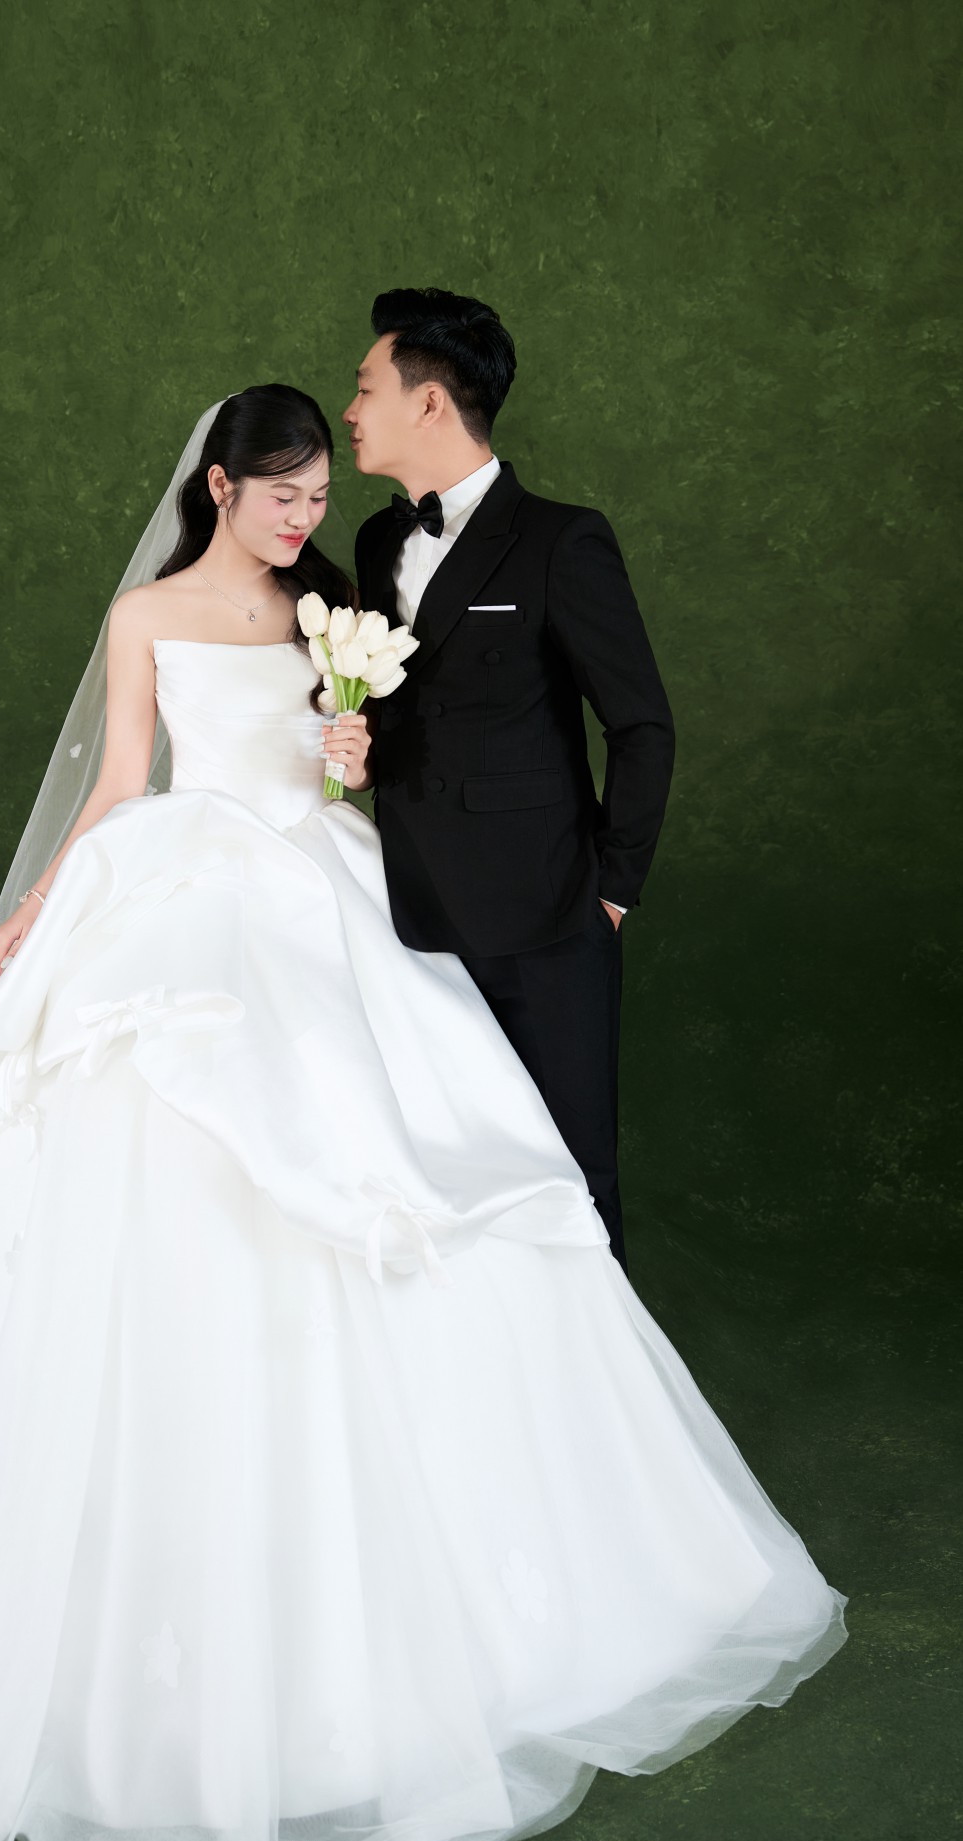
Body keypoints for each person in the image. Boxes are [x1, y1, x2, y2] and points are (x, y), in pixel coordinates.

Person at [0, 385, 845, 1841]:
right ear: (221, 487)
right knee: (151, 1136)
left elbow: (344, 761)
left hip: (323, 884)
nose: (305, 517)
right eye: (282, 494)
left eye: (317, 495)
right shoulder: (144, 615)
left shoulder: (335, 602)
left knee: (405, 1143)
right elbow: (122, 781)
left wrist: (346, 755)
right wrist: (36, 914)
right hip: (186, 887)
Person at [348, 287, 675, 1269]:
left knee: (572, 1174)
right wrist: (358, 748)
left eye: (365, 388)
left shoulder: (561, 540)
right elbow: (402, 708)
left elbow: (641, 726)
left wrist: (611, 891)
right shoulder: (376, 541)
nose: (350, 411)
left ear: (429, 403)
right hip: (406, 915)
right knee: (439, 1176)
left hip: (545, 914)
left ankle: (595, 1367)